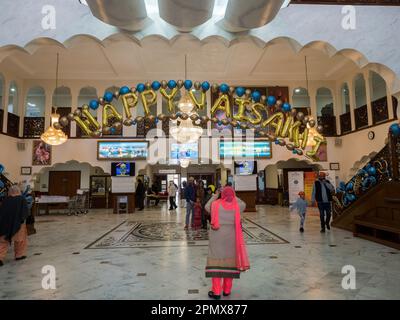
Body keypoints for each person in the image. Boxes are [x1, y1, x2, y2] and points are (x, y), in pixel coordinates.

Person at [204, 186, 249, 300]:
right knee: (229, 263)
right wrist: (233, 195)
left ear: (221, 195)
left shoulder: (215, 205)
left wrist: (216, 194)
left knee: (216, 264)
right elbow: (243, 204)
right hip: (231, 238)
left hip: (217, 238)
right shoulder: (237, 206)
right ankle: (227, 290)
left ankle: (216, 292)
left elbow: (206, 206)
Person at [0, 185, 30, 266]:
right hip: (18, 224)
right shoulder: (22, 199)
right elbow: (25, 212)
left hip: (5, 223)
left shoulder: (6, 199)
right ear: (18, 191)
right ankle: (19, 255)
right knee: (20, 240)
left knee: (3, 241)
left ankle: (0, 258)